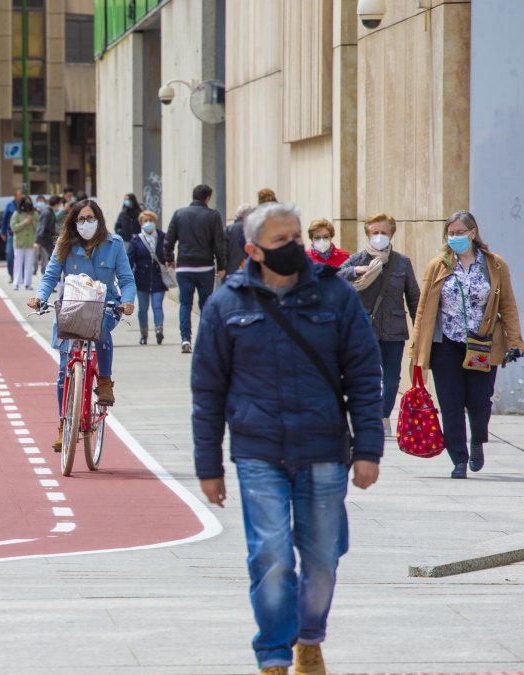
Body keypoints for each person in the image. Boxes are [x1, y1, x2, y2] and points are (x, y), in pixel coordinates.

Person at [192, 201, 382, 675]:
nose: (296, 248)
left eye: (298, 238)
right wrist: (208, 467)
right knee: (271, 555)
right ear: (254, 250)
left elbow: (363, 374)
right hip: (259, 452)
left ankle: (310, 638)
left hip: (323, 449)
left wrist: (369, 450)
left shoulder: (335, 296)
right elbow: (207, 392)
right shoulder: (226, 305)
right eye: (283, 242)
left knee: (322, 559)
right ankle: (275, 655)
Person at [407, 211, 524, 478]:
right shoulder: (438, 265)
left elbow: (508, 306)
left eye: (460, 232)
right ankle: (458, 458)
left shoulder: (495, 265)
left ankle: (477, 442)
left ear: (473, 233)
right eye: (451, 233)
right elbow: (423, 310)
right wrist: (417, 349)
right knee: (451, 402)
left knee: (479, 401)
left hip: (482, 344)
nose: (455, 237)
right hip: (446, 343)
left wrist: (515, 342)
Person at [28, 200, 136, 450]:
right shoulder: (64, 245)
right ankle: (64, 425)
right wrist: (40, 298)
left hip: (105, 305)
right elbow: (50, 277)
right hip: (72, 305)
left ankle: (105, 382)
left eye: (90, 218)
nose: (85, 223)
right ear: (73, 222)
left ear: (99, 218)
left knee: (101, 330)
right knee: (64, 369)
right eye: (80, 219)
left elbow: (127, 280)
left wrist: (128, 302)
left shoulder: (115, 244)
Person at [338, 213, 420, 436]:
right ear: (368, 234)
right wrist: (355, 271)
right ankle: (369, 417)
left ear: (392, 234)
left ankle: (383, 415)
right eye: (375, 233)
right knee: (368, 376)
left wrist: (420, 330)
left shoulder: (402, 262)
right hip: (364, 329)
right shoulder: (358, 259)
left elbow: (414, 298)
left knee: (392, 378)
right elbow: (335, 276)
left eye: (384, 232)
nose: (380, 237)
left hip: (394, 329)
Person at [164, 184, 227, 354]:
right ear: (207, 198)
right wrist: (222, 266)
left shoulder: (179, 214)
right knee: (206, 304)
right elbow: (219, 243)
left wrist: (169, 259)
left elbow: (168, 240)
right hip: (205, 267)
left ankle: (185, 339)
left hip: (184, 266)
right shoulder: (213, 215)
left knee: (185, 303)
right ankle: (203, 340)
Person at [127, 210, 168, 345]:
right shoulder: (136, 240)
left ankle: (159, 331)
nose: (148, 223)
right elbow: (129, 259)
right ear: (141, 223)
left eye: (151, 221)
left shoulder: (162, 237)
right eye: (145, 221)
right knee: (143, 308)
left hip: (158, 278)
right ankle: (143, 334)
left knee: (157, 306)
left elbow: (167, 254)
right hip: (141, 279)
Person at [11, 197, 38, 290]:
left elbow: (37, 228)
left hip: (30, 242)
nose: (28, 204)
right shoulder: (17, 214)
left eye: (29, 203)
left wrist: (31, 220)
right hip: (19, 242)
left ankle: (28, 284)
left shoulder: (34, 214)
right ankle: (16, 283)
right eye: (26, 203)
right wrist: (24, 222)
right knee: (18, 263)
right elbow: (14, 227)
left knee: (29, 263)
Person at [1, 188, 24, 279]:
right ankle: (11, 274)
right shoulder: (9, 206)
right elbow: (4, 219)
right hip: (11, 234)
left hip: (22, 235)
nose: (20, 198)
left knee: (21, 256)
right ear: (15, 197)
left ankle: (21, 275)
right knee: (9, 254)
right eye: (19, 196)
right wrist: (3, 233)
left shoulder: (25, 206)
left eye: (21, 197)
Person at [225, 203, 253, 273]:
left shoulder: (228, 229)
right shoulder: (253, 229)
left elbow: (223, 251)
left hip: (231, 270)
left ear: (237, 215)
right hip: (250, 270)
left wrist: (221, 268)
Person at [34, 195, 60, 270]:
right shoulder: (47, 213)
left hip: (49, 239)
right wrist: (37, 241)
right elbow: (42, 226)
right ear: (56, 204)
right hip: (46, 239)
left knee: (53, 257)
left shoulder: (49, 212)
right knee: (54, 257)